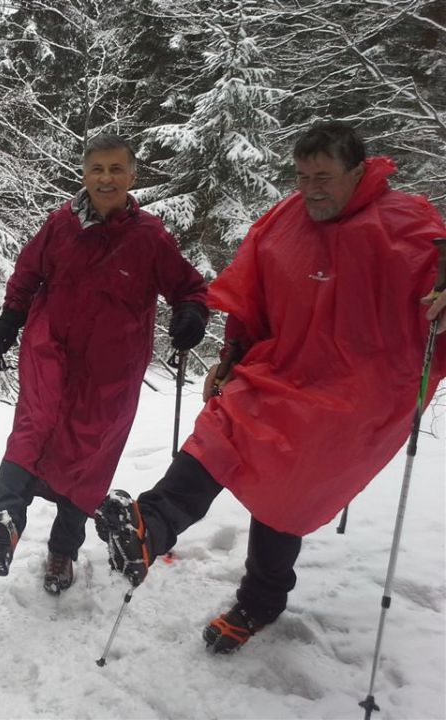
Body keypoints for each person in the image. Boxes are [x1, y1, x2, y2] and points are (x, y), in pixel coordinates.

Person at [95, 120, 446, 653]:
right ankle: (152, 524)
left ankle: (261, 600)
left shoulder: (406, 223)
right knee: (223, 423)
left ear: (358, 172)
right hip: (282, 367)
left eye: (324, 177)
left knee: (287, 478)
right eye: (303, 177)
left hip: (359, 390)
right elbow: (250, 292)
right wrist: (232, 353)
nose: (312, 190)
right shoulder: (286, 219)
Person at [0, 133, 209, 595]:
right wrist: (11, 317)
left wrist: (191, 313)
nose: (106, 178)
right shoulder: (60, 225)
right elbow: (27, 274)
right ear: (84, 175)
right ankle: (5, 517)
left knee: (90, 458)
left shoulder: (149, 236)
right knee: (33, 427)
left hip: (112, 370)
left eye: (116, 169)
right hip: (51, 349)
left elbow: (188, 286)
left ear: (132, 175)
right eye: (97, 169)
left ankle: (63, 549)